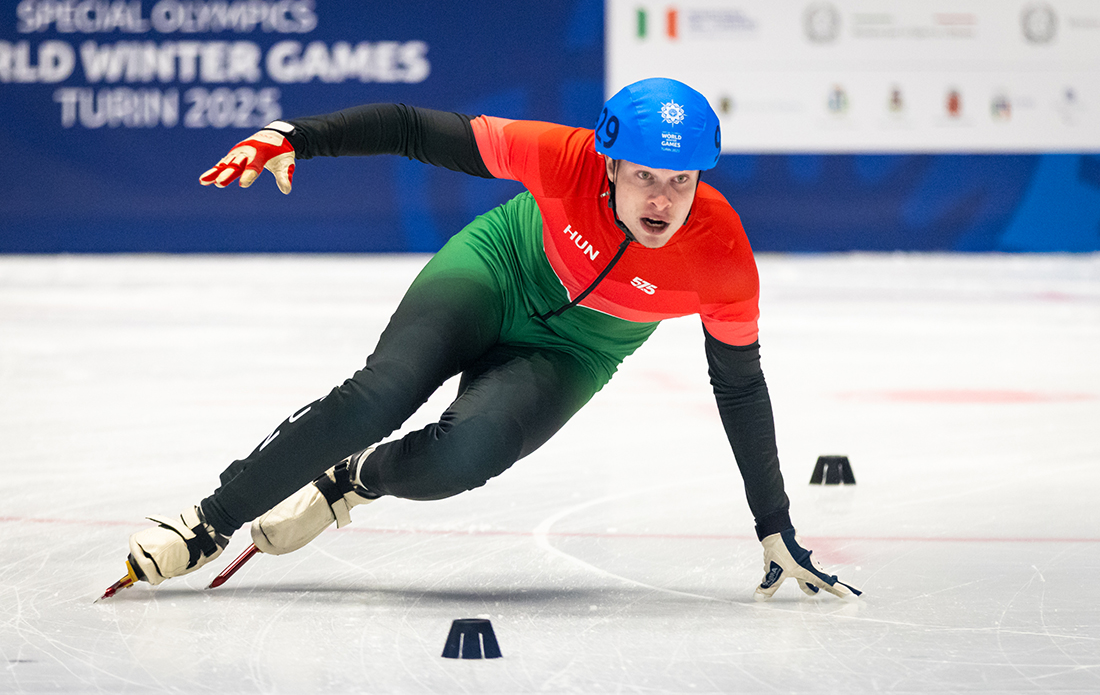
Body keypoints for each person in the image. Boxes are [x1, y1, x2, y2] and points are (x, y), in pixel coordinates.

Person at [121, 78, 860, 601]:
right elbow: (414, 128)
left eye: (681, 179)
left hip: (576, 350)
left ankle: (352, 479)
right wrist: (298, 137)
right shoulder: (562, 157)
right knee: (381, 394)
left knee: (467, 458)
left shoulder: (721, 252)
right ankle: (206, 522)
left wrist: (774, 524)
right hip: (499, 267)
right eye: (643, 177)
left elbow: (738, 386)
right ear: (607, 163)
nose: (663, 200)